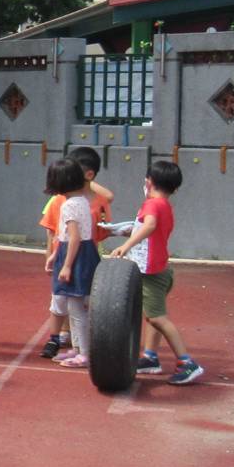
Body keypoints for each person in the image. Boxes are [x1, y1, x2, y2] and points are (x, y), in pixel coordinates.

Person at [110, 161, 203, 385]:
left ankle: (187, 362)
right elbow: (151, 230)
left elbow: (150, 226)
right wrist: (128, 232)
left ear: (149, 181)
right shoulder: (164, 205)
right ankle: (150, 357)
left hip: (152, 272)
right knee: (152, 314)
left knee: (157, 317)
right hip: (159, 268)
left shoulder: (152, 204)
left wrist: (127, 244)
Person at [36, 145, 112, 359]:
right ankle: (77, 349)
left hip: (75, 255)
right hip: (79, 252)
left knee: (76, 307)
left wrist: (67, 265)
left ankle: (83, 353)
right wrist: (55, 255)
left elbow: (74, 237)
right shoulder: (83, 201)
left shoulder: (69, 205)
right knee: (73, 305)